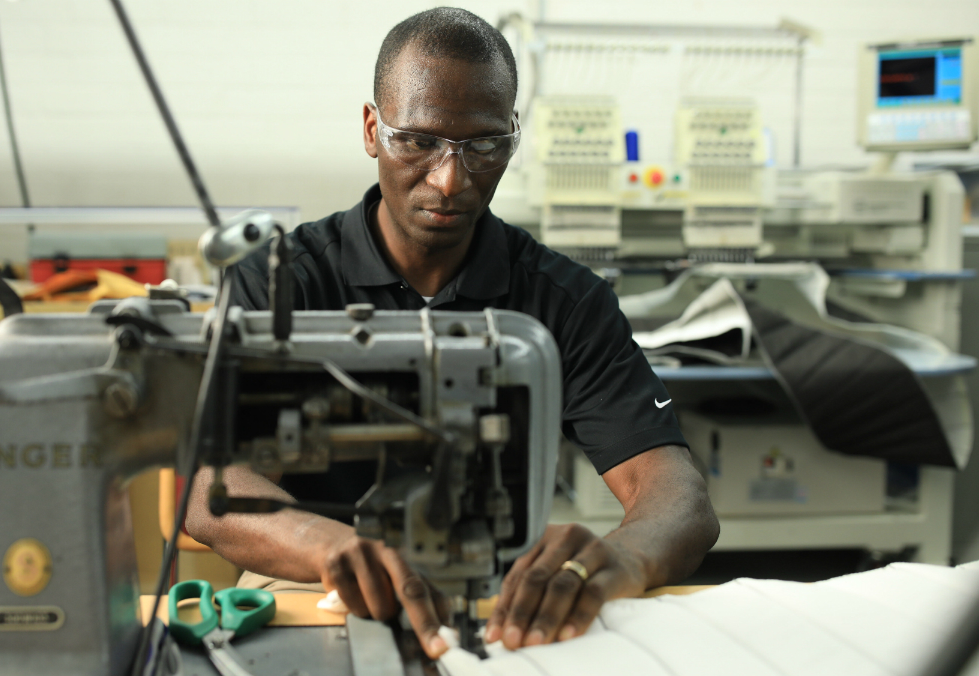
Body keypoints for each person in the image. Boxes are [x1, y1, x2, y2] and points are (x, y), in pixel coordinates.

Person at [185, 7, 719, 660]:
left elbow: (678, 499)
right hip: (310, 584)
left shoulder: (565, 301)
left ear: (513, 134)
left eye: (483, 144)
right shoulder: (280, 285)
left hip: (500, 603)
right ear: (371, 128)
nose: (450, 179)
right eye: (418, 142)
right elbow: (205, 490)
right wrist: (337, 547)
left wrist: (622, 558)